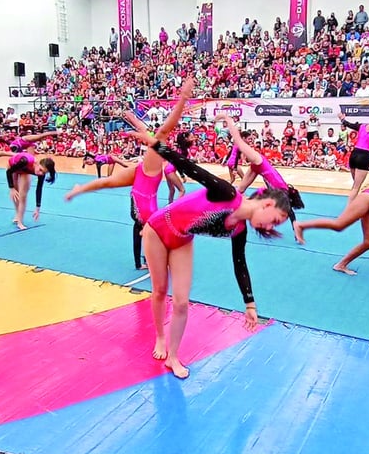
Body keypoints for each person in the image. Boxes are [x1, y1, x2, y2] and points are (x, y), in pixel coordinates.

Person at [125, 129, 293, 380]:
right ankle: (160, 337)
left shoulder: (239, 229)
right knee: (160, 290)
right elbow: (189, 167)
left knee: (181, 301)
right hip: (158, 230)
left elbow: (240, 264)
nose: (269, 228)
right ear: (267, 204)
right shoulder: (226, 193)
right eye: (274, 221)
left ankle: (173, 355)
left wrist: (250, 304)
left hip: (182, 239)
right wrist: (154, 144)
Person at [65, 78, 194, 269]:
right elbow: (164, 128)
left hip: (142, 181)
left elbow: (149, 131)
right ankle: (156, 259)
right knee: (156, 228)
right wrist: (183, 98)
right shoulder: (159, 147)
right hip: (144, 191)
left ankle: (79, 189)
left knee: (108, 183)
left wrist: (132, 119)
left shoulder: (158, 148)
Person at [218, 114, 306, 243]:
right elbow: (238, 145)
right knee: (240, 191)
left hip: (259, 167)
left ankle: (225, 213)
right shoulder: (280, 189)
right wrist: (229, 121)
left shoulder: (281, 192)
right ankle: (224, 212)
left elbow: (290, 212)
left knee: (240, 192)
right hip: (260, 165)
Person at [5, 147, 57, 231]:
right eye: (40, 170)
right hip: (13, 167)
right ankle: (17, 214)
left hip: (25, 171)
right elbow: (9, 172)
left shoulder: (41, 173)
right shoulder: (25, 161)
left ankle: (20, 221)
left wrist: (37, 208)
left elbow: (39, 189)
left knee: (23, 196)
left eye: (43, 172)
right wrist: (11, 188)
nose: (40, 173)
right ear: (37, 163)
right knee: (15, 193)